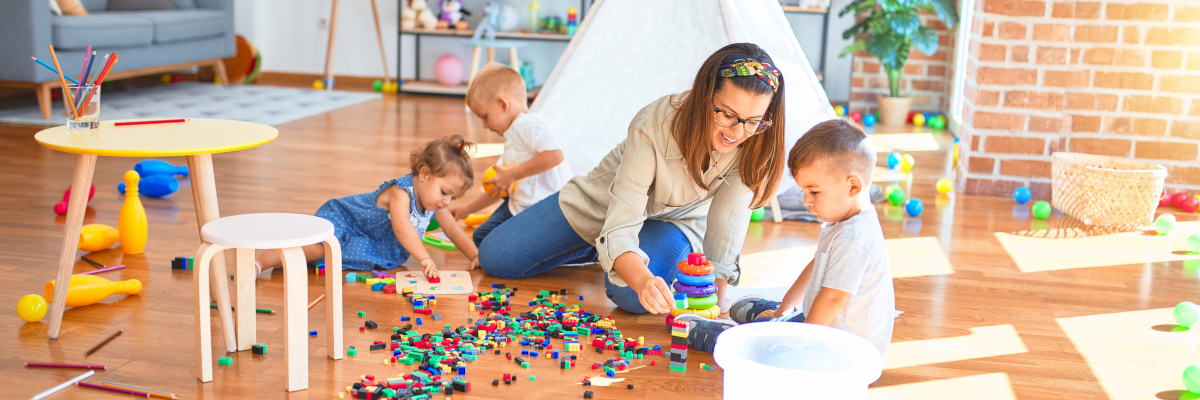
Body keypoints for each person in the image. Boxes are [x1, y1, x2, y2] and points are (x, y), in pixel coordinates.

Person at [477, 43, 788, 314]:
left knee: (630, 296)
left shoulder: (756, 141)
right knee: (495, 257)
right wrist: (628, 257)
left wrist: (714, 300)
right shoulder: (654, 125)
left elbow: (726, 228)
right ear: (705, 96)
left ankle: (612, 250)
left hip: (673, 222)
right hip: (601, 204)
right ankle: (604, 247)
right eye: (728, 115)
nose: (737, 132)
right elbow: (622, 218)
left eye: (753, 121)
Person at [678, 119, 895, 359]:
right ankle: (783, 319)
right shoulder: (845, 222)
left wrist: (799, 338)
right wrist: (785, 305)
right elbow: (816, 267)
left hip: (845, 353)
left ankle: (726, 338)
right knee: (781, 323)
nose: (806, 201)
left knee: (771, 353)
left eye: (814, 192)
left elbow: (833, 299)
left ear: (853, 186)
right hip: (832, 332)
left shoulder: (854, 239)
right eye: (804, 192)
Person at [255, 136, 481, 278]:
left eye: (453, 197)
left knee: (321, 259)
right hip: (347, 220)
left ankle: (287, 259)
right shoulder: (401, 192)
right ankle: (260, 262)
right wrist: (424, 258)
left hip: (368, 240)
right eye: (444, 192)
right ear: (424, 173)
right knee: (318, 249)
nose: (446, 202)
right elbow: (402, 226)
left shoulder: (436, 203)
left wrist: (475, 255)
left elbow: (452, 230)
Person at [448, 63, 573, 246]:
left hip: (544, 211)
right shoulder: (513, 134)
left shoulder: (527, 125)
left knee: (487, 240)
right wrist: (466, 210)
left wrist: (513, 174)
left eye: (485, 116)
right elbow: (500, 187)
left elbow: (555, 155)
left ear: (503, 104)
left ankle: (581, 249)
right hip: (520, 205)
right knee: (481, 237)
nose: (484, 125)